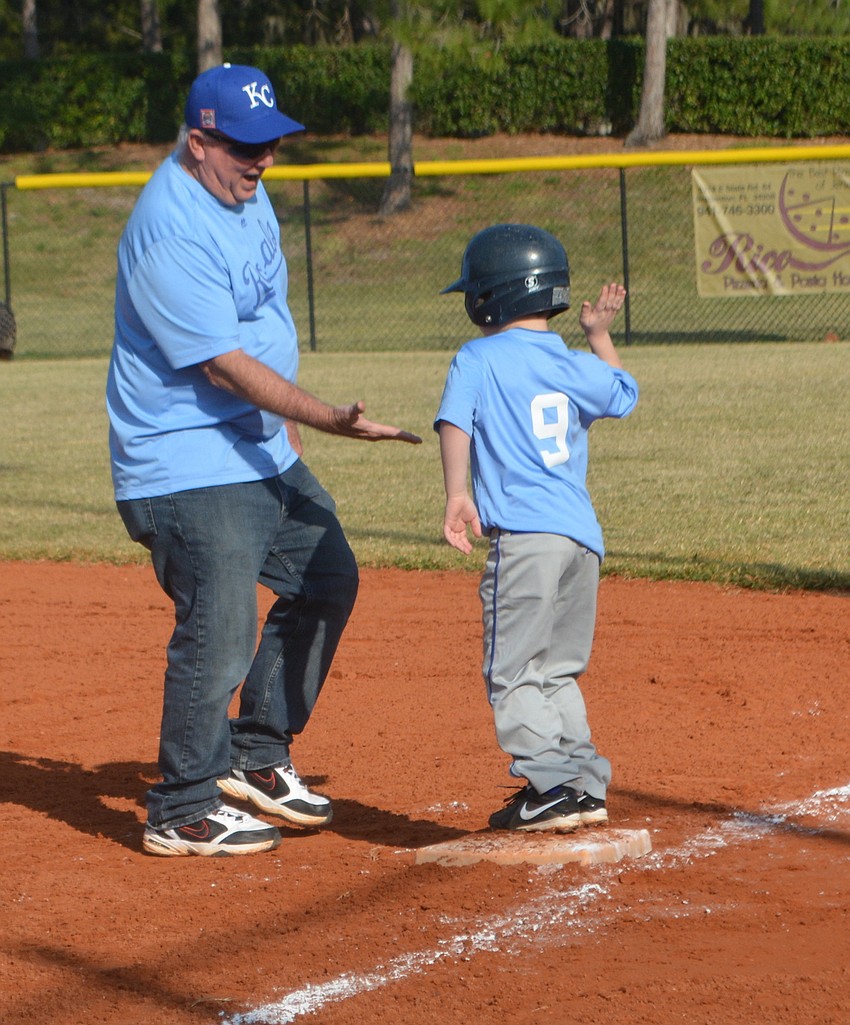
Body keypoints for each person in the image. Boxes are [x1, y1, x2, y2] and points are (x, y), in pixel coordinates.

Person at [107, 63, 421, 858]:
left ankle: (257, 749)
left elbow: (268, 315)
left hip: (255, 446)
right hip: (185, 460)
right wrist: (321, 414)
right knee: (219, 628)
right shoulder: (169, 224)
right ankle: (181, 806)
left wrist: (289, 431)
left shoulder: (249, 193)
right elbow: (218, 363)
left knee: (326, 576)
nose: (264, 160)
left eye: (271, 143)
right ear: (198, 140)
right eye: (246, 146)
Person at [434, 223, 638, 833]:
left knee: (514, 669)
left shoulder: (476, 357)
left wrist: (456, 493)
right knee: (557, 670)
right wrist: (598, 334)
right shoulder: (570, 361)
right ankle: (581, 784)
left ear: (487, 297)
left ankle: (549, 783)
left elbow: (455, 423)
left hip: (524, 539)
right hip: (582, 542)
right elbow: (624, 393)